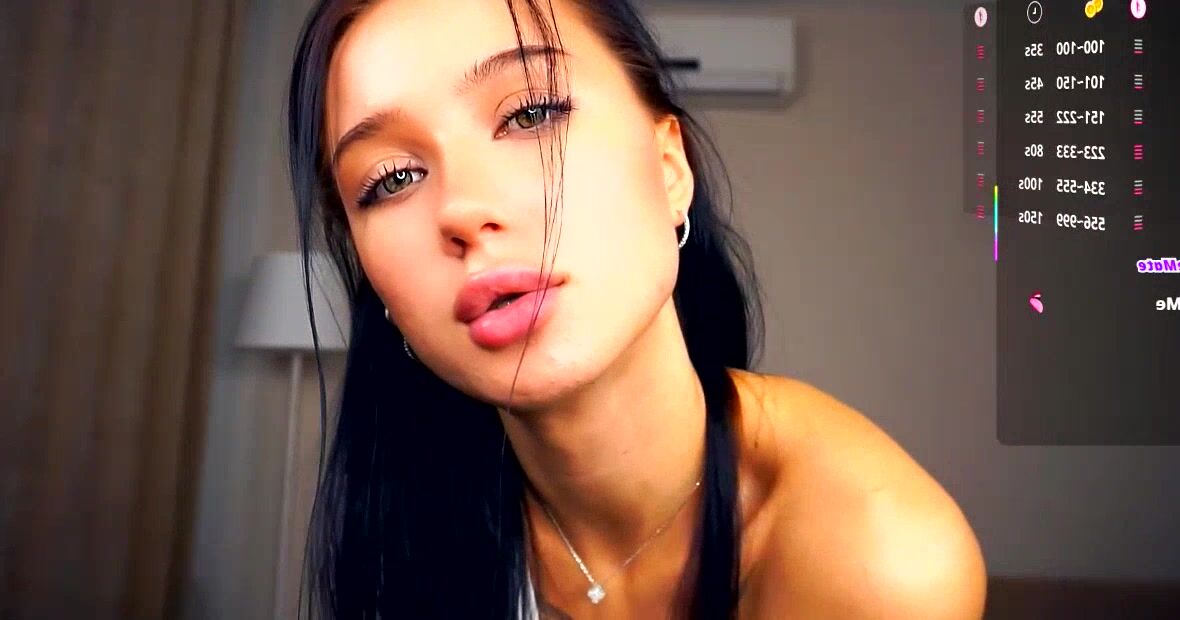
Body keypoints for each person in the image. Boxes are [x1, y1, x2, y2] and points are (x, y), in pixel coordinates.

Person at [286, 0, 987, 617]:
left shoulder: (877, 556)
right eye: (392, 179)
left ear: (670, 169)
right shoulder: (409, 524)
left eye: (531, 113)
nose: (463, 209)